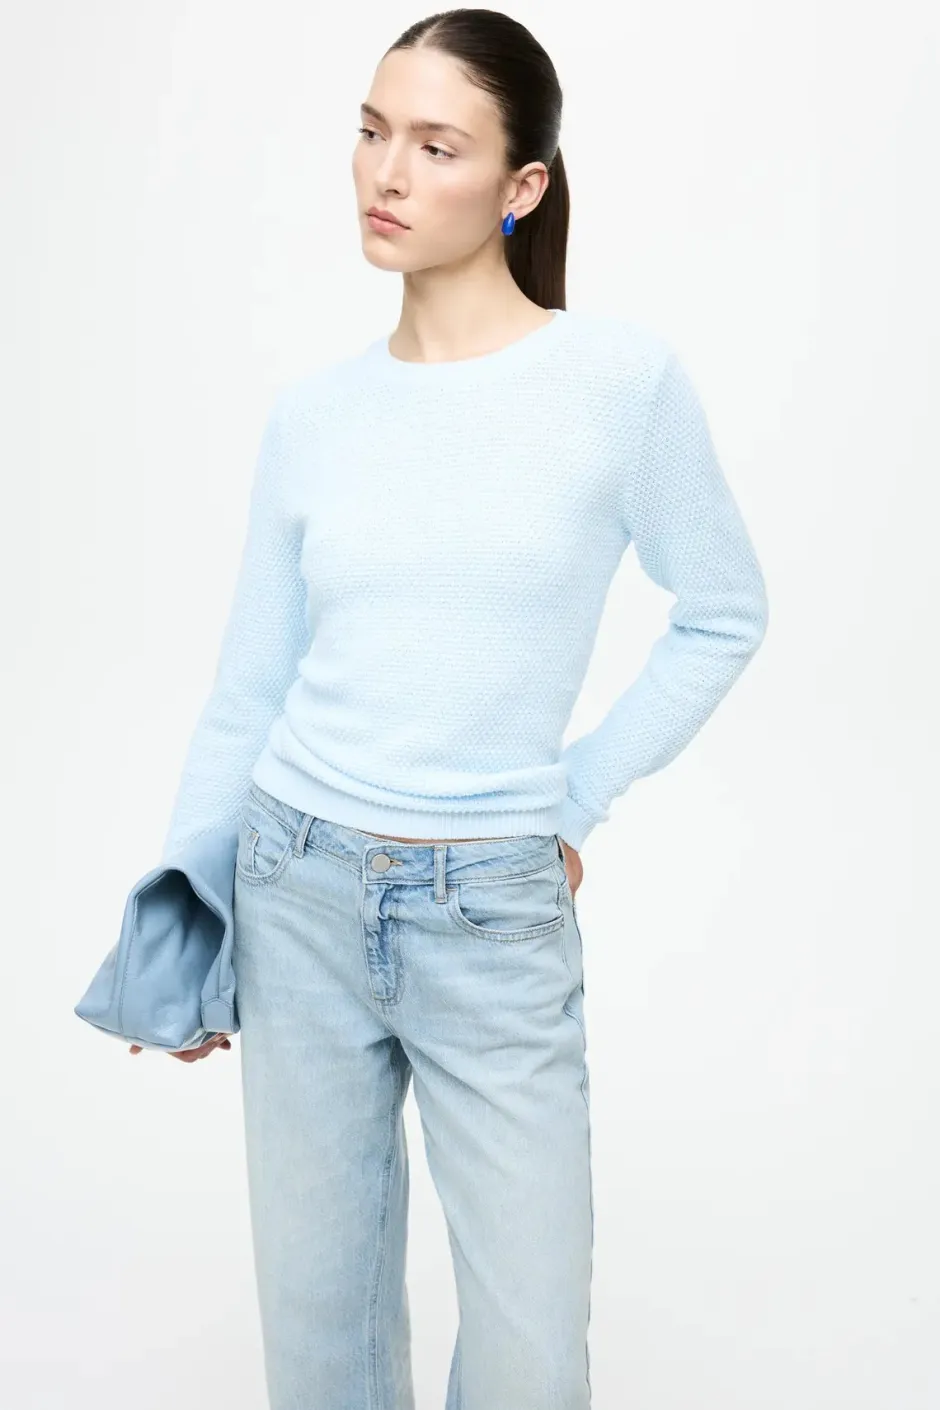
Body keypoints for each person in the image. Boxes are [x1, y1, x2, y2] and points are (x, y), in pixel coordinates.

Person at [145, 9, 769, 1406]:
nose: (387, 173)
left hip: (493, 904)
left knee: (533, 1356)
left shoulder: (617, 385)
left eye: (437, 146)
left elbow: (725, 610)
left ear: (521, 185)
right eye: (373, 132)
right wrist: (188, 900)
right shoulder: (314, 416)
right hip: (295, 883)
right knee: (321, 1344)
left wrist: (575, 797)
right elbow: (251, 683)